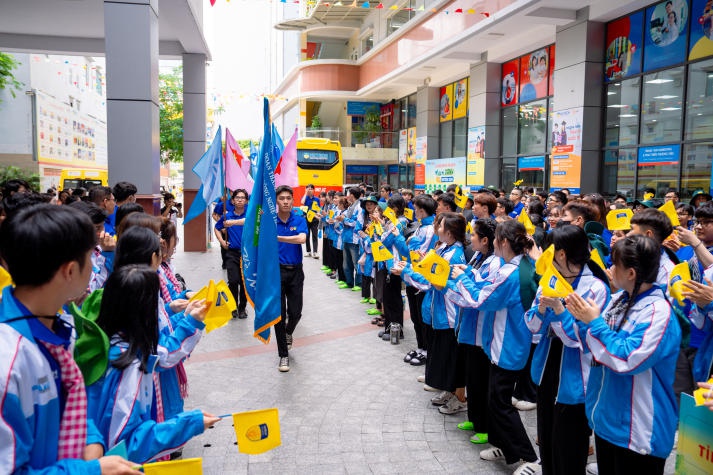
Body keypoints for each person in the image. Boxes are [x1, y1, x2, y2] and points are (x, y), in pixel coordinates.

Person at [0, 204, 140, 474]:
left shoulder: (61, 328)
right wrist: (91, 470)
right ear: (70, 271)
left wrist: (91, 439)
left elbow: (69, 408)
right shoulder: (8, 361)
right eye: (91, 256)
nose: (95, 265)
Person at [567, 235, 680, 475]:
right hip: (608, 420)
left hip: (638, 429)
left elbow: (627, 360)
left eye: (614, 264)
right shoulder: (620, 298)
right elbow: (597, 348)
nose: (609, 268)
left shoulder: (657, 312)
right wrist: (584, 320)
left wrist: (594, 323)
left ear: (630, 273)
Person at [89, 264, 219, 463]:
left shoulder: (109, 344)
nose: (161, 313)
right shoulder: (128, 366)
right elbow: (124, 445)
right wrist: (186, 425)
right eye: (155, 305)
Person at [525, 225, 611, 475]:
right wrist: (541, 310)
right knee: (547, 440)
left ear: (561, 254)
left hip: (578, 378)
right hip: (546, 369)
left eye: (549, 250)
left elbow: (582, 340)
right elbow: (531, 326)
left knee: (570, 447)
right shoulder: (549, 280)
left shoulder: (595, 288)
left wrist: (560, 312)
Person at [459, 220, 539, 472]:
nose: (492, 242)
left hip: (508, 344)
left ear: (503, 242)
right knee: (496, 400)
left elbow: (482, 299)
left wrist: (460, 278)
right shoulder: (521, 265)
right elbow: (489, 288)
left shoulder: (510, 272)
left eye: (495, 239)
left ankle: (530, 459)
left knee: (500, 404)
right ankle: (505, 447)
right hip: (508, 342)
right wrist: (470, 275)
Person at [445, 218, 501, 445]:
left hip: (481, 329)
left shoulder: (496, 264)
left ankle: (486, 427)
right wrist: (465, 270)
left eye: (474, 235)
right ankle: (474, 418)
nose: (471, 239)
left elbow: (480, 292)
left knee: (481, 380)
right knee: (472, 377)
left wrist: (462, 277)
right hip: (467, 325)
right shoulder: (477, 256)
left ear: (486, 240)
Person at [275, 185, 308, 372]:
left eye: (288, 198)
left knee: (295, 313)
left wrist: (277, 237)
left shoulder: (299, 218)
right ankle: (283, 355)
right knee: (279, 315)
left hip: (296, 271)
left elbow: (302, 239)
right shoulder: (270, 221)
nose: (286, 201)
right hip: (276, 272)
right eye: (282, 198)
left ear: (293, 200)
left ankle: (288, 333)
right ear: (277, 201)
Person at [215, 189, 249, 319]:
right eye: (237, 197)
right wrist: (222, 241)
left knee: (244, 282)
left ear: (246, 201)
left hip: (247, 255)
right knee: (233, 281)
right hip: (232, 254)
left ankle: (242, 308)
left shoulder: (250, 215)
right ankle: (233, 306)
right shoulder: (226, 216)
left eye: (242, 198)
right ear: (233, 200)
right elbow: (217, 228)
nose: (240, 199)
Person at [301, 184, 320, 258]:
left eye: (311, 189)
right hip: (306, 218)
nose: (310, 190)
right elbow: (302, 202)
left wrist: (319, 216)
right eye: (308, 189)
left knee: (315, 236)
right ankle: (308, 251)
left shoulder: (317, 199)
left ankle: (315, 252)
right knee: (307, 236)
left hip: (314, 219)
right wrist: (305, 193)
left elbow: (318, 209)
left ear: (313, 190)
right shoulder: (305, 198)